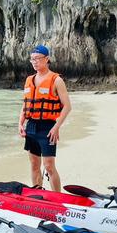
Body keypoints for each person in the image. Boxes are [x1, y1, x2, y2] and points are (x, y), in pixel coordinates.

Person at [19, 46, 71, 192]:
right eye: (32, 59)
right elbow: (26, 105)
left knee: (49, 166)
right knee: (34, 164)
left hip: (48, 127)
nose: (34, 62)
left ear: (47, 59)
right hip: (31, 126)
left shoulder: (56, 80)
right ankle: (38, 194)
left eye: (38, 59)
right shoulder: (29, 80)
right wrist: (20, 124)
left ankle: (57, 197)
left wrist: (57, 127)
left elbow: (67, 106)